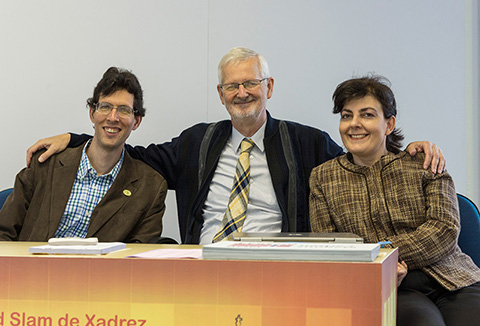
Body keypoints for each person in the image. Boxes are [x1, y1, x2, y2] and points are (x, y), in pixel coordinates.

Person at [27, 47, 444, 245]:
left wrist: (406, 148)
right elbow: (133, 151)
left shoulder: (305, 142)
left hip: (276, 267)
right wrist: (76, 137)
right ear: (221, 93)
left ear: (269, 88)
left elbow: (361, 161)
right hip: (201, 262)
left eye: (251, 83)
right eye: (233, 85)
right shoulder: (197, 142)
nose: (242, 92)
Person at [309, 75, 480, 326]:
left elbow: (445, 228)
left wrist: (382, 255)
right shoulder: (323, 177)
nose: (354, 124)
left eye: (367, 115)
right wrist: (380, 269)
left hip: (454, 278)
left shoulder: (424, 163)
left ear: (389, 124)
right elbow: (330, 247)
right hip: (393, 288)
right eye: (346, 115)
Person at [0, 67, 167, 243]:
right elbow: (3, 233)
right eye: (105, 107)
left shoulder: (151, 188)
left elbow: (138, 259)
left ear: (137, 121)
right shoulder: (45, 164)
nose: (113, 117)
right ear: (92, 113)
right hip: (34, 269)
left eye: (124, 110)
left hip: (101, 271)